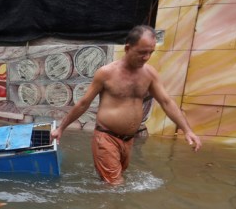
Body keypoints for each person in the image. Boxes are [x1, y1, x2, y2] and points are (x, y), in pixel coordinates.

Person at [51, 25, 201, 185]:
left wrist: (187, 130)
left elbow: (166, 102)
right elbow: (83, 103)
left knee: (112, 185)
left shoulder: (149, 74)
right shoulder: (106, 73)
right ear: (128, 48)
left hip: (128, 141)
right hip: (106, 137)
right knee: (116, 186)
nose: (146, 57)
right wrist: (61, 128)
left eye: (151, 52)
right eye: (142, 52)